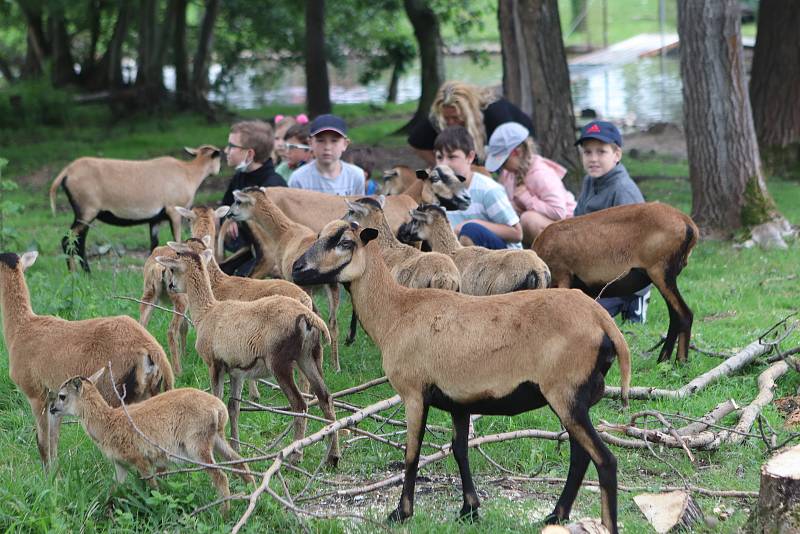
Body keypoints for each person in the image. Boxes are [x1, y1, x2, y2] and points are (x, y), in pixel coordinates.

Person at [574, 120, 649, 323]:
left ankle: (635, 299)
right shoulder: (589, 181)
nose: (593, 159)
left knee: (587, 315)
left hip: (624, 273)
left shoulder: (623, 190)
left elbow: (634, 246)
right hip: (594, 266)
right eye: (587, 152)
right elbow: (577, 221)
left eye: (601, 152)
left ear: (617, 155)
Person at [485, 122, 576, 246]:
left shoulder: (540, 173)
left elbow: (559, 212)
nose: (503, 168)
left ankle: (549, 260)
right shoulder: (509, 174)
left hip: (568, 229)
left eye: (504, 162)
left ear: (517, 152)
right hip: (547, 225)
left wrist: (526, 199)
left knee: (529, 220)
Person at [433, 125, 522, 250]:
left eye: (452, 157)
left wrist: (473, 223)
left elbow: (517, 233)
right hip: (463, 256)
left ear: (470, 157)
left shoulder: (488, 190)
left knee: (470, 231)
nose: (444, 164)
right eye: (439, 157)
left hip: (507, 260)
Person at [407, 80, 534, 166]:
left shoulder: (495, 114)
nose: (451, 123)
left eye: (456, 118)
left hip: (514, 150)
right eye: (447, 118)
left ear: (469, 112)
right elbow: (417, 144)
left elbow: (516, 154)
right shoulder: (441, 114)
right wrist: (446, 167)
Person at [220, 120, 286, 276]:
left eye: (231, 146)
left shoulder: (274, 185)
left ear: (249, 154)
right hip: (242, 246)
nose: (226, 150)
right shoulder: (240, 177)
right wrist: (228, 220)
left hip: (263, 252)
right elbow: (225, 206)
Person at [288, 114, 365, 196]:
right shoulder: (298, 179)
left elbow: (359, 206)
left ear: (345, 144)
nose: (327, 147)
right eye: (321, 140)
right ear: (310, 143)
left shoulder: (356, 176)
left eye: (334, 141)